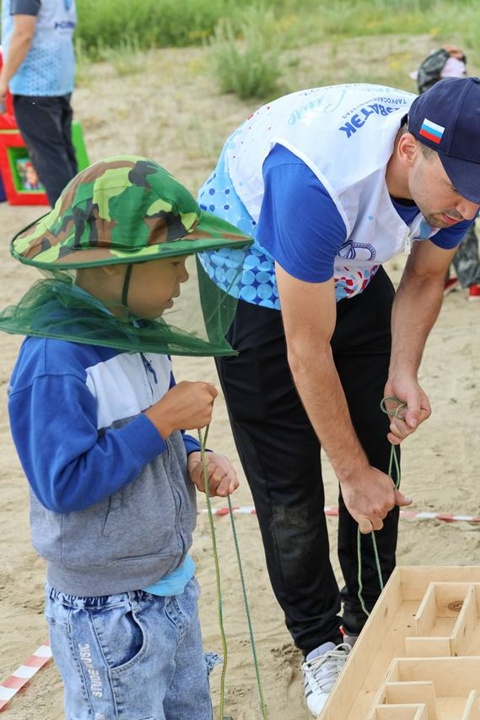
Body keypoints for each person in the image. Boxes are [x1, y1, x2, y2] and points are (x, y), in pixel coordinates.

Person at [196, 78, 480, 715]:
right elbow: (305, 348)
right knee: (290, 482)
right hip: (254, 273)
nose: (467, 209)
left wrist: (403, 368)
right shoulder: (315, 187)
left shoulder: (457, 178)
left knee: (382, 447)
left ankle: (371, 611)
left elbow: (428, 275)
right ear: (409, 150)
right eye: (458, 191)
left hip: (348, 265)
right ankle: (320, 643)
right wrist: (347, 474)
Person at [0, 157, 251, 718]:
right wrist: (162, 420)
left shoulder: (138, 330)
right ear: (115, 269)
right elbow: (63, 484)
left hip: (168, 580)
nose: (185, 278)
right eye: (171, 263)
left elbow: (153, 431)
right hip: (104, 611)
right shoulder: (57, 364)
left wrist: (191, 456)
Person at [414, 46, 480, 301]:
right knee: (444, 230)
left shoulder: (432, 99)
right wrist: (446, 55)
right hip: (449, 178)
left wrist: (440, 54)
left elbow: (425, 74)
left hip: (446, 180)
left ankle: (470, 281)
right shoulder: (462, 100)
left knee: (443, 229)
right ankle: (465, 280)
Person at [0, 0, 79, 205]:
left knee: (50, 162)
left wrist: (3, 81)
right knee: (64, 156)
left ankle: (69, 227)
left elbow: (23, 34)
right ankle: (82, 218)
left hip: (34, 84)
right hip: (59, 78)